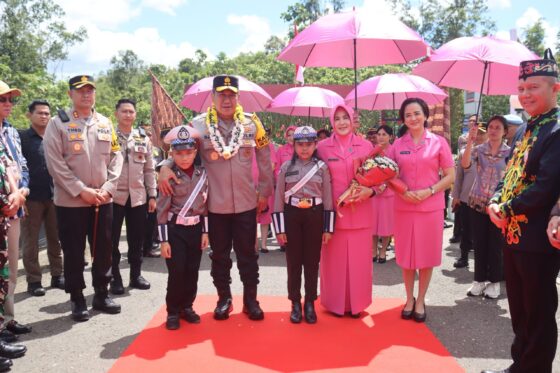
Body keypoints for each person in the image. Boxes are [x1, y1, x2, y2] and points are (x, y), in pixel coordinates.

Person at [159, 75, 273, 321]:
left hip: (245, 203)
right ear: (213, 98)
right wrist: (164, 166)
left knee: (248, 256)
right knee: (219, 256)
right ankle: (224, 299)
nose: (227, 100)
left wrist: (264, 192)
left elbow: (265, 158)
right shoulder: (199, 126)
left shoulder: (253, 124)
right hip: (214, 207)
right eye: (222, 95)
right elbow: (181, 149)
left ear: (238, 97)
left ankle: (251, 300)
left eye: (232, 95)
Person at [484, 49, 560, 373]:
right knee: (519, 312)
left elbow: (545, 186)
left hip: (539, 239)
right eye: (521, 89)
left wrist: (506, 206)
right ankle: (520, 367)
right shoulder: (525, 131)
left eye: (534, 88)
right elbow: (509, 175)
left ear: (555, 88)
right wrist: (494, 200)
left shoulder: (556, 131)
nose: (525, 94)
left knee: (539, 313)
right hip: (512, 235)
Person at [43, 75, 124, 322]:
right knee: (74, 251)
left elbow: (116, 156)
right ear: (70, 94)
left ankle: (101, 293)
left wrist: (110, 186)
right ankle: (77, 298)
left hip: (102, 199)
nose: (86, 95)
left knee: (104, 249)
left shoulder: (105, 123)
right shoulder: (59, 124)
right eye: (80, 91)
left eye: (90, 90)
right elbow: (55, 163)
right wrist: (80, 190)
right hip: (72, 202)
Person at [387, 97, 455, 323]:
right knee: (406, 256)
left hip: (431, 208)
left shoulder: (438, 142)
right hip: (404, 207)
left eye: (417, 113)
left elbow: (450, 176)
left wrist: (429, 191)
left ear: (425, 115)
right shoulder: (397, 145)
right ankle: (408, 298)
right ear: (403, 119)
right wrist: (402, 190)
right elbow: (388, 175)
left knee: (426, 256)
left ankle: (421, 299)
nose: (413, 118)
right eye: (408, 115)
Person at [316, 104, 375, 318]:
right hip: (332, 215)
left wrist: (370, 190)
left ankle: (358, 304)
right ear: (332, 122)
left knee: (359, 262)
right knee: (334, 262)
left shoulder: (366, 145)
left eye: (345, 118)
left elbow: (379, 178)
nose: (342, 122)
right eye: (337, 118)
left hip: (360, 212)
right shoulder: (322, 147)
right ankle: (334, 303)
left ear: (352, 120)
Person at [273, 126, 334, 324]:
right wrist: (279, 229)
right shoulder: (285, 168)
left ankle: (309, 302)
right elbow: (278, 200)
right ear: (294, 145)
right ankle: (295, 303)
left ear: (316, 145)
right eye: (300, 144)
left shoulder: (322, 168)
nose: (305, 149)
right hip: (292, 216)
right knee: (293, 262)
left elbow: (327, 199)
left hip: (315, 216)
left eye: (309, 144)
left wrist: (328, 228)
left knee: (311, 261)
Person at [157, 125, 208, 330]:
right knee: (176, 272)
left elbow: (205, 206)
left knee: (192, 270)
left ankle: (187, 306)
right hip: (175, 230)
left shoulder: (202, 173)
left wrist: (205, 232)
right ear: (172, 154)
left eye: (189, 152)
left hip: (195, 230)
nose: (185, 157)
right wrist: (163, 240)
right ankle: (173, 311)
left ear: (195, 152)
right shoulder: (168, 175)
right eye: (179, 153)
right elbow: (161, 210)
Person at [109, 99, 157, 295]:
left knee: (137, 238)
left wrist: (152, 194)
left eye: (131, 111)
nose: (128, 115)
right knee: (111, 240)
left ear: (135, 114)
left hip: (138, 195)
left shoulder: (142, 138)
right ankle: (115, 278)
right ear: (116, 114)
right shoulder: (108, 135)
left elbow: (149, 168)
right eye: (124, 111)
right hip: (114, 195)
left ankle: (135, 274)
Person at [19, 100, 64, 297]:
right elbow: (17, 167)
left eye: (47, 113)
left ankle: (57, 275)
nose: (44, 116)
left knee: (56, 238)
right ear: (30, 115)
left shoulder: (56, 136)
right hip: (31, 198)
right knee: (31, 241)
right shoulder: (21, 138)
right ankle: (34, 280)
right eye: (40, 113)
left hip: (55, 195)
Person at [462, 116, 509, 299]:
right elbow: (465, 165)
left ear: (505, 131)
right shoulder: (479, 150)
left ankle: (495, 282)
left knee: (495, 245)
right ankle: (478, 280)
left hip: (498, 206)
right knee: (479, 243)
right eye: (490, 126)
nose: (493, 130)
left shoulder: (510, 152)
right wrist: (470, 142)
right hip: (477, 202)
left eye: (498, 127)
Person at [0, 81, 31, 337]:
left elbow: (22, 167)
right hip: (2, 208)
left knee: (9, 267)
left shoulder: (11, 131)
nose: (8, 104)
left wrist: (22, 192)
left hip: (15, 208)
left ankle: (7, 319)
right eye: (3, 99)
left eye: (11, 99)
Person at [451, 121, 487, 268]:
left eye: (482, 133)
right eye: (476, 133)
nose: (478, 136)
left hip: (485, 198)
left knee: (482, 232)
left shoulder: (491, 152)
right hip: (466, 198)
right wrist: (456, 196)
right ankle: (463, 257)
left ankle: (483, 262)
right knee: (466, 230)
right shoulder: (464, 152)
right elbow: (458, 177)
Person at [450, 114, 478, 244]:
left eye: (475, 121)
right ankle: (458, 236)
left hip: (479, 193)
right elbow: (463, 165)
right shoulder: (463, 138)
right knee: (460, 215)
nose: (472, 123)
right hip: (464, 187)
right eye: (470, 121)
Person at [371, 125, 394, 263]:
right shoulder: (372, 151)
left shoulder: (394, 151)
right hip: (373, 192)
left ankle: (383, 251)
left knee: (386, 225)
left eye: (384, 134)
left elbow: (397, 172)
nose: (380, 137)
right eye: (379, 134)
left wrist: (385, 183)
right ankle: (373, 250)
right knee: (373, 224)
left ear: (390, 136)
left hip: (389, 193)